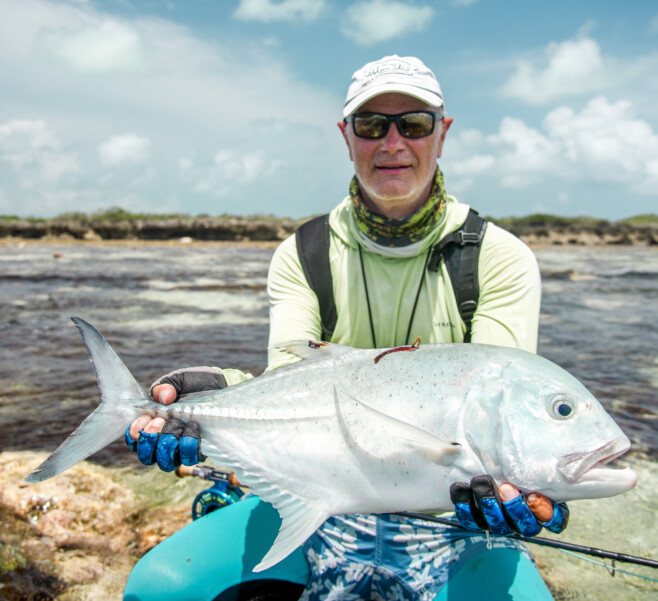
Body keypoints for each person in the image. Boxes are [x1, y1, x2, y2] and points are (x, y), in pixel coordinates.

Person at [127, 55, 567, 600]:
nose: (392, 143)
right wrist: (216, 390)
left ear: (442, 132)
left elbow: (496, 406)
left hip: (457, 523)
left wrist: (528, 480)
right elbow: (290, 385)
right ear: (346, 135)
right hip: (317, 498)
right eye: (370, 124)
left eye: (413, 123)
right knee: (158, 590)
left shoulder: (498, 258)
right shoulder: (303, 254)